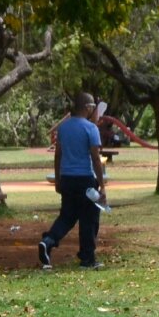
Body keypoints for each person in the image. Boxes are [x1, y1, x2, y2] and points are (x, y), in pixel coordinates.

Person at [38, 93, 107, 271]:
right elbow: (96, 158)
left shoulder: (63, 128)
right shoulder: (91, 128)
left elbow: (58, 155)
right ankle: (87, 258)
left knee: (67, 216)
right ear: (88, 107)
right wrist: (102, 186)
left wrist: (58, 179)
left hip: (67, 179)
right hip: (85, 179)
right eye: (92, 107)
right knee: (89, 218)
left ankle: (48, 240)